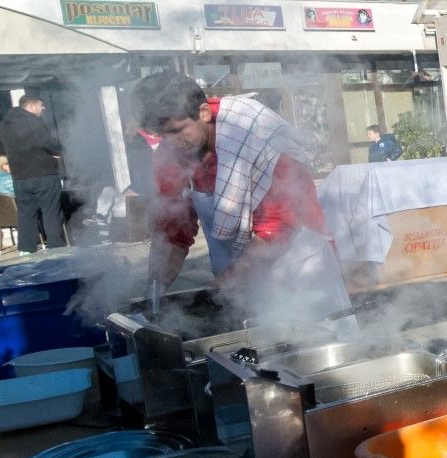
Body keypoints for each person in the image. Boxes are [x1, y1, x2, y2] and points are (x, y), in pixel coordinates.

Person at [132, 72, 349, 322]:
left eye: (178, 131)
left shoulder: (259, 137)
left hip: (299, 271)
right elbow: (172, 231)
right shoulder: (172, 151)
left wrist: (217, 291)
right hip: (235, 279)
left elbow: (277, 231)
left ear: (204, 112)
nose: (172, 143)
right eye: (163, 135)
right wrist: (153, 298)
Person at [0, 89, 64, 252]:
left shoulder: (4, 125)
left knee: (26, 214)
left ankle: (27, 250)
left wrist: (13, 150)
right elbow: (48, 143)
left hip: (20, 177)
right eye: (41, 106)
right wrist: (58, 151)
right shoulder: (35, 122)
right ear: (32, 106)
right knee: (51, 212)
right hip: (43, 173)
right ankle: (57, 249)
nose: (43, 109)